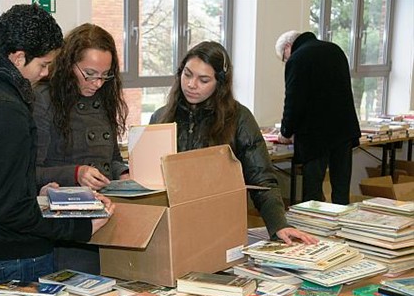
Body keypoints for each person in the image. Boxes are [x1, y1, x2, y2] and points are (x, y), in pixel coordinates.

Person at [0, 4, 114, 287]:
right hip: (16, 252)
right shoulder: (3, 106)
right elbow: (12, 210)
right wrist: (81, 228)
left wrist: (33, 191)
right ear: (19, 58)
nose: (45, 74)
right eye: (43, 64)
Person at [150, 41, 316, 245]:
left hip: (219, 229)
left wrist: (278, 225)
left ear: (220, 83)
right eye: (187, 74)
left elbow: (262, 179)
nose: (191, 85)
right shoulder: (161, 117)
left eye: (203, 80)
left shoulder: (239, 118)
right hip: (171, 229)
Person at [33, 23, 129, 274]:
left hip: (106, 216)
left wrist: (123, 173)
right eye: (89, 73)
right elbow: (30, 172)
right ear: (68, 64)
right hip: (66, 229)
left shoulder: (104, 98)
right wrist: (75, 173)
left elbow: (112, 157)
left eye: (105, 74)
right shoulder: (43, 101)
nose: (98, 83)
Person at [275, 30, 361, 205]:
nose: (286, 61)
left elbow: (293, 101)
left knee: (313, 197)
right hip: (344, 131)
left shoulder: (298, 58)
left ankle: (312, 230)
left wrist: (285, 132)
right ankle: (342, 229)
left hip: (315, 136)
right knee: (341, 192)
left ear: (288, 47)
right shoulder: (334, 50)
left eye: (284, 58)